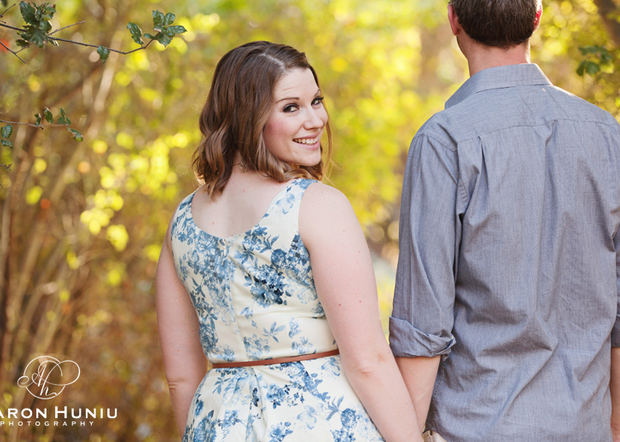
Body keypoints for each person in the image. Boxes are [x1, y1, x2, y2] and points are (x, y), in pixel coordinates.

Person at [389, 0, 620, 442]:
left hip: (475, 429)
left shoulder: (444, 141)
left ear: (453, 21)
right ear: (536, 17)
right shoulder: (606, 134)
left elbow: (423, 325)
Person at [156, 41, 423, 442]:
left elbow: (180, 378)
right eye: (290, 107)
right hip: (318, 423)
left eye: (316, 100)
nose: (316, 120)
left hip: (214, 424)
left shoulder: (181, 223)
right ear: (248, 118)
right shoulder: (317, 205)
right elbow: (367, 361)